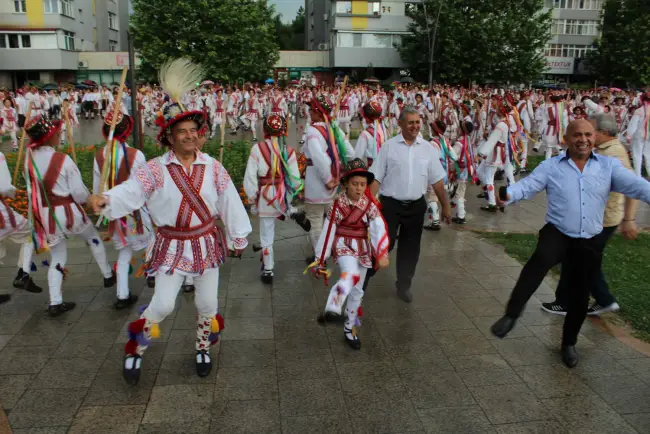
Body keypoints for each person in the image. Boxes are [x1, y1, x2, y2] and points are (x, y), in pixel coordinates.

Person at [88, 92, 252, 385]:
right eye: (181, 132)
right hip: (171, 246)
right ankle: (135, 348)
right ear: (169, 138)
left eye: (193, 131)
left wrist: (238, 236)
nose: (189, 137)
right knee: (162, 304)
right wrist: (107, 200)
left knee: (208, 304)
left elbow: (230, 201)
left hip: (205, 244)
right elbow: (131, 191)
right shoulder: (154, 169)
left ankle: (203, 347)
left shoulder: (213, 167)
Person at [490, 119, 650, 368]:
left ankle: (568, 343)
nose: (583, 139)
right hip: (558, 233)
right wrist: (508, 196)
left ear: (595, 137)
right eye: (577, 135)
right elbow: (529, 186)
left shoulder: (609, 166)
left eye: (588, 134)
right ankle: (511, 314)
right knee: (539, 260)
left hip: (588, 240)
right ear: (566, 138)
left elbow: (638, 187)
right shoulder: (552, 166)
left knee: (579, 297)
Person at [541, 114, 638, 317]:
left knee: (581, 261)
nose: (588, 136)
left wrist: (629, 220)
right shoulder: (603, 149)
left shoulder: (613, 154)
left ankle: (602, 300)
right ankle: (567, 300)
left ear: (602, 132)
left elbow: (632, 187)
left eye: (591, 131)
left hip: (602, 219)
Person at [24, 115, 115, 317]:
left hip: (46, 215)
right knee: (92, 238)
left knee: (57, 256)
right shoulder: (62, 159)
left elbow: (32, 192)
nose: (59, 135)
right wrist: (91, 199)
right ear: (49, 137)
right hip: (69, 212)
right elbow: (79, 193)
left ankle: (55, 302)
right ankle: (108, 275)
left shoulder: (28, 160)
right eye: (56, 133)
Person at [364, 106, 451, 303]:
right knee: (383, 245)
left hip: (416, 207)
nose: (414, 126)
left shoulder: (428, 149)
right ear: (400, 124)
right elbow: (376, 178)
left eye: (417, 122)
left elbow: (437, 180)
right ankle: (362, 279)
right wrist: (365, 205)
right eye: (410, 122)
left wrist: (445, 205)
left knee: (410, 249)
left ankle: (404, 285)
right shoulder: (389, 147)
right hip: (390, 206)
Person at [314, 158, 389, 349]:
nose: (359, 188)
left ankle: (349, 327)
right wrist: (320, 259)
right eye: (354, 184)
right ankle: (333, 305)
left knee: (358, 291)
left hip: (363, 248)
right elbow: (328, 231)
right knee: (351, 275)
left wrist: (381, 252)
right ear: (346, 183)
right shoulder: (337, 205)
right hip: (343, 245)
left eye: (363, 184)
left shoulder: (369, 205)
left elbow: (378, 227)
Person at [93, 111, 153, 309]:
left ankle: (122, 295)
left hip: (114, 213)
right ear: (127, 130)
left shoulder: (99, 155)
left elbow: (97, 191)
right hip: (136, 212)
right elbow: (144, 186)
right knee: (152, 241)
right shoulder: (136, 155)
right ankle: (152, 275)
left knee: (125, 251)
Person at [243, 114, 307, 284]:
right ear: (284, 131)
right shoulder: (289, 151)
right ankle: (291, 211)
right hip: (282, 194)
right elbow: (294, 180)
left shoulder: (257, 149)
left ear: (264, 130)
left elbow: (249, 178)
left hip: (264, 196)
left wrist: (252, 199)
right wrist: (289, 197)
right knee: (280, 213)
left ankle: (268, 269)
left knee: (266, 234)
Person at [302, 95, 354, 262]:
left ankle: (320, 257)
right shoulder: (335, 129)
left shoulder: (312, 131)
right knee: (331, 219)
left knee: (315, 221)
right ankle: (335, 251)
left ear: (318, 113)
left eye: (311, 110)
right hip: (335, 181)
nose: (309, 112)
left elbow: (318, 158)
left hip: (318, 181)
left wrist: (328, 178)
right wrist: (338, 167)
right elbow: (350, 153)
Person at [0, 150, 42, 294]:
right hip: (2, 216)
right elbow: (4, 188)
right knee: (30, 232)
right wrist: (15, 192)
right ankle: (23, 274)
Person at [625, 91, 650, 178]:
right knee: (648, 155)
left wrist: (629, 135)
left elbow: (633, 124)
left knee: (637, 155)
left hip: (638, 135)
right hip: (648, 136)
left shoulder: (639, 111)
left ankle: (638, 176)